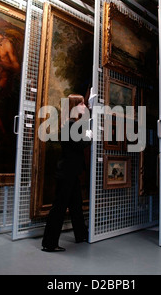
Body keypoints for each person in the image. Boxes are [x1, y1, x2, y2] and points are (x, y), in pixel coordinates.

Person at [41, 94, 92, 252]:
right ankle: (49, 244)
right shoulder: (70, 124)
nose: (84, 106)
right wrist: (89, 137)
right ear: (75, 106)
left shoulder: (71, 123)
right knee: (59, 208)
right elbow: (77, 145)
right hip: (67, 173)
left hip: (70, 172)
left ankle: (81, 234)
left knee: (76, 206)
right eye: (82, 103)